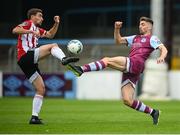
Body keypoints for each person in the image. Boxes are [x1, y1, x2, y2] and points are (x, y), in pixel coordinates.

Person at [68, 17, 168, 125]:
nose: (140, 26)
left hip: (136, 63)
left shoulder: (152, 38)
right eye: (139, 24)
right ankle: (153, 112)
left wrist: (162, 56)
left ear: (149, 26)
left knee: (107, 60)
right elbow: (118, 41)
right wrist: (116, 29)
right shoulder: (135, 38)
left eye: (143, 24)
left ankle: (81, 69)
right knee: (127, 100)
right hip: (133, 69)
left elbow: (163, 48)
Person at [12, 8, 79, 124]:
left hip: (28, 63)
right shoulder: (28, 24)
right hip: (25, 56)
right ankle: (63, 59)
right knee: (53, 46)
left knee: (41, 89)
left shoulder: (38, 29)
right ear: (32, 16)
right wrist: (30, 32)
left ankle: (34, 117)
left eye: (42, 16)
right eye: (39, 16)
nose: (42, 18)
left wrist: (56, 23)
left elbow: (50, 34)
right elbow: (15, 30)